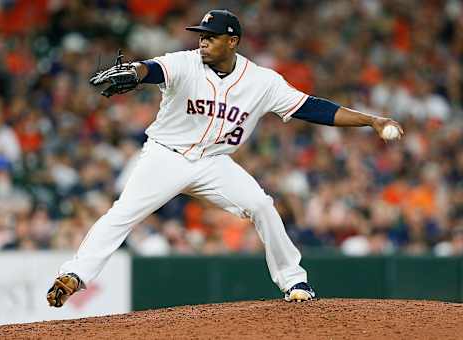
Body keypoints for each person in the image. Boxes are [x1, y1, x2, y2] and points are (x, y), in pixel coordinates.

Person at [47, 9, 403, 307]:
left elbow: (313, 108)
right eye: (201, 35)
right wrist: (136, 73)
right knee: (122, 213)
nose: (202, 41)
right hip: (165, 156)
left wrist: (371, 120)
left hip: (213, 163)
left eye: (211, 36)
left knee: (262, 206)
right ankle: (75, 274)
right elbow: (151, 69)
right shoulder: (185, 63)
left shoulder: (262, 81)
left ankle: (295, 283)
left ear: (232, 41)